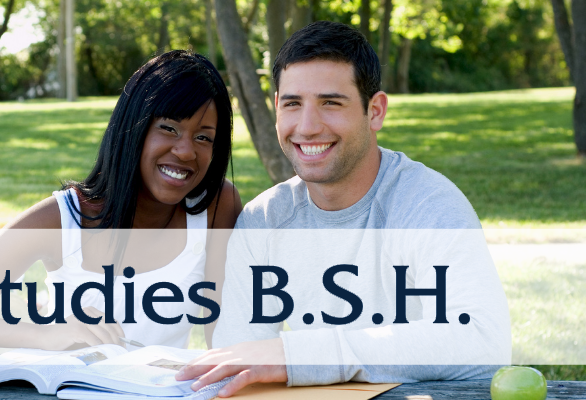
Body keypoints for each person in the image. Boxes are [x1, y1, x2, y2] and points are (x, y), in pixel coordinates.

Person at [175, 21, 511, 397]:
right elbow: (238, 362)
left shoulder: (427, 205)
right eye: (292, 104)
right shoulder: (264, 221)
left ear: (375, 111)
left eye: (330, 103)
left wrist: (302, 356)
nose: (307, 126)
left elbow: (484, 342)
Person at [0, 50, 242, 351]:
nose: (185, 151)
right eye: (168, 128)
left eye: (203, 137)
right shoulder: (62, 218)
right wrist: (43, 334)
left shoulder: (216, 206)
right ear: (132, 128)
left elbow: (226, 337)